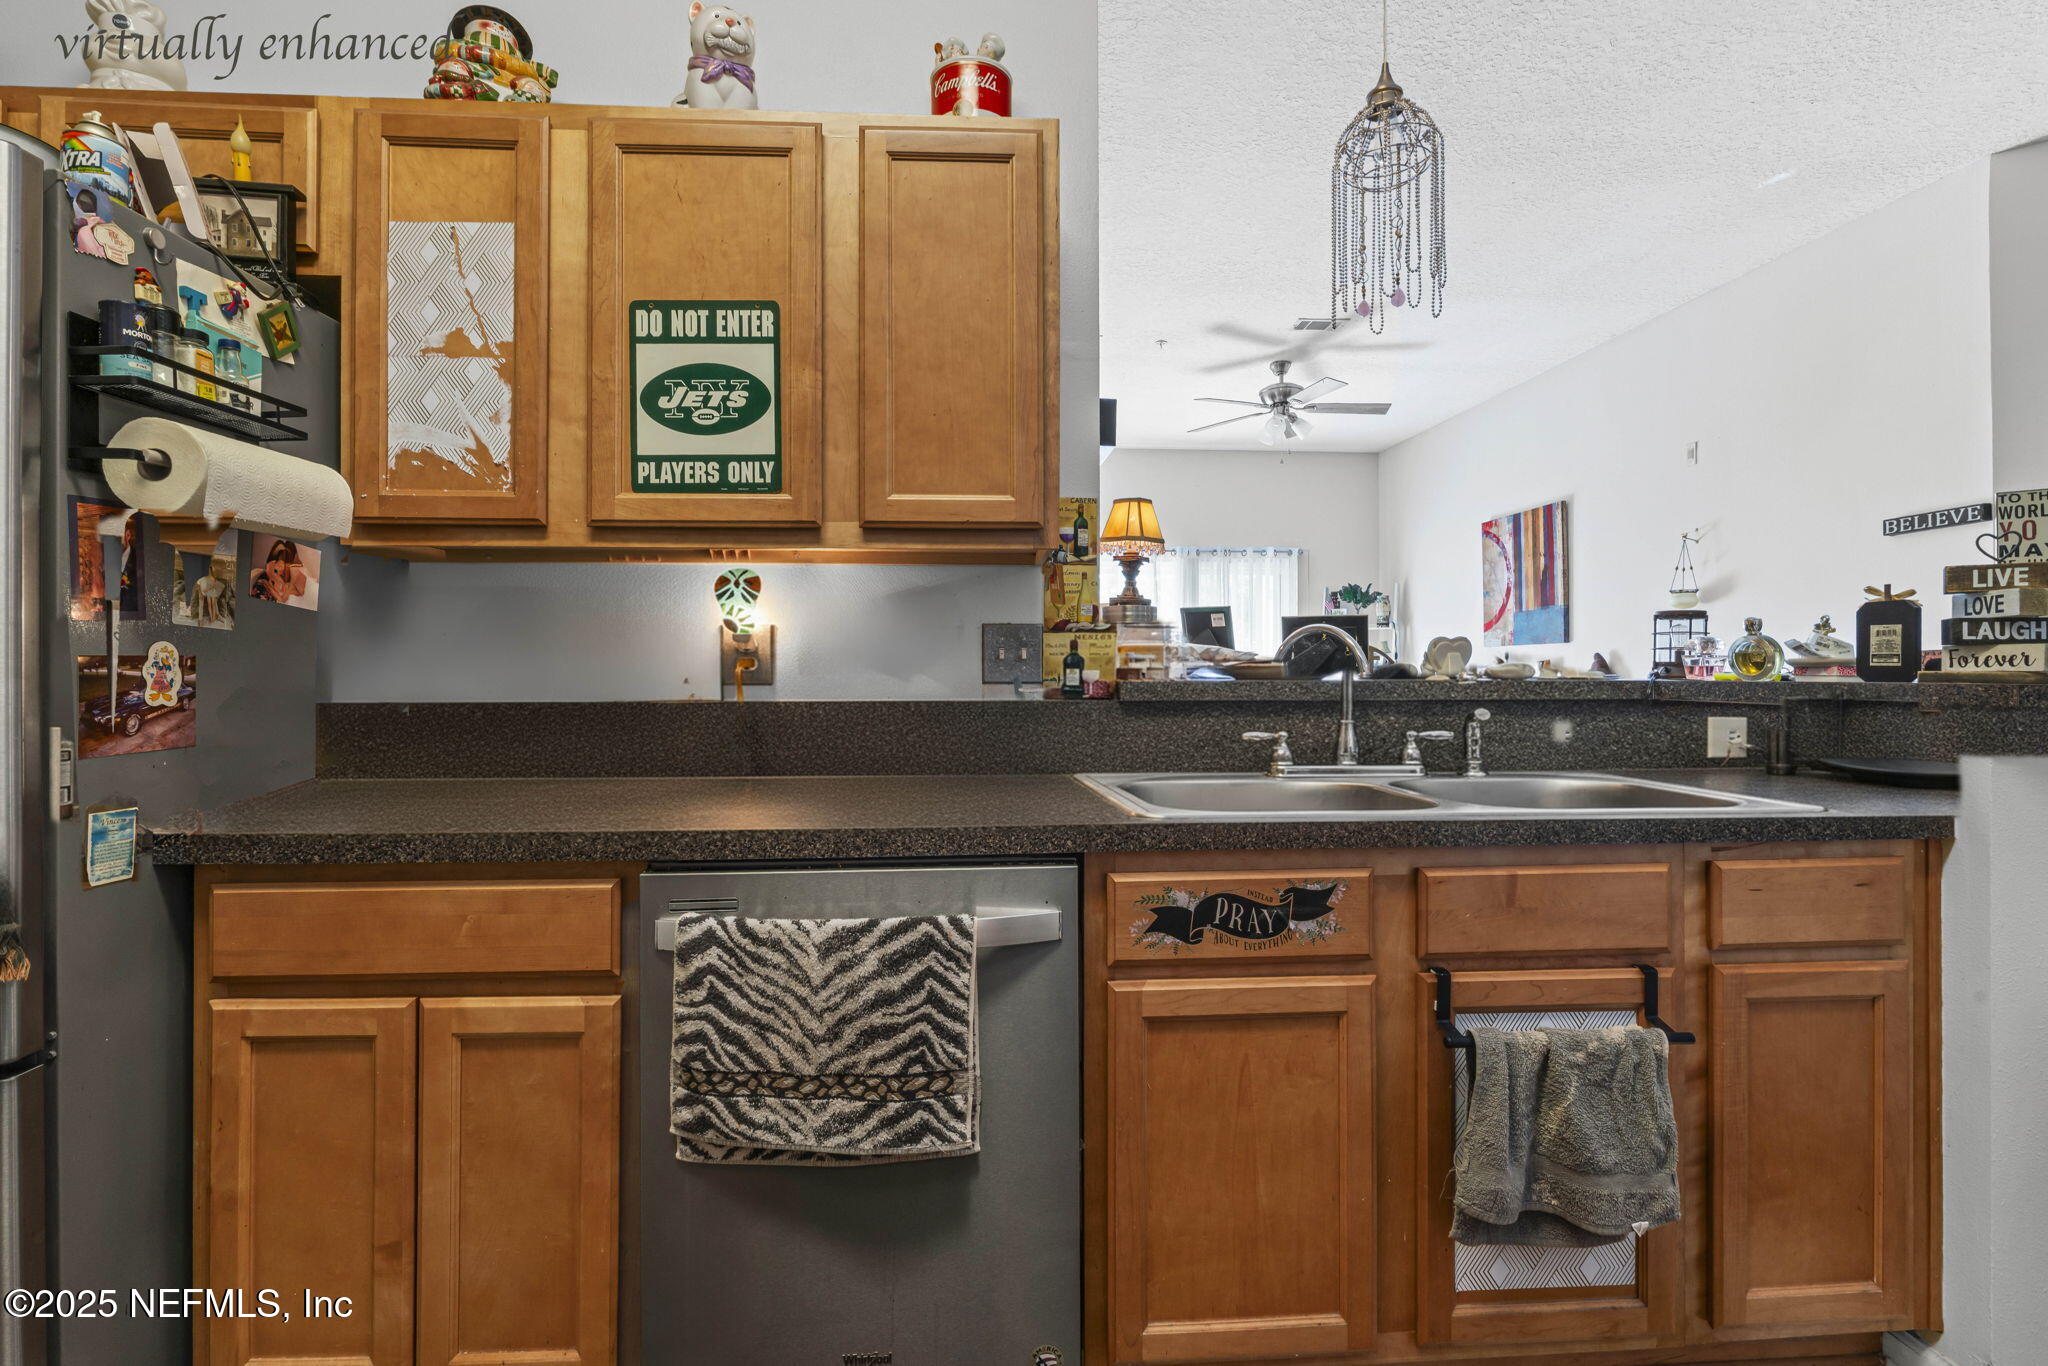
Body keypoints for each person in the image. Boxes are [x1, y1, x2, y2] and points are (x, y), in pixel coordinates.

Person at [249, 538, 307, 605]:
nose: (279, 568)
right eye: (277, 564)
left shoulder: (290, 579)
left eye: (281, 565)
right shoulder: (269, 574)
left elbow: (282, 597)